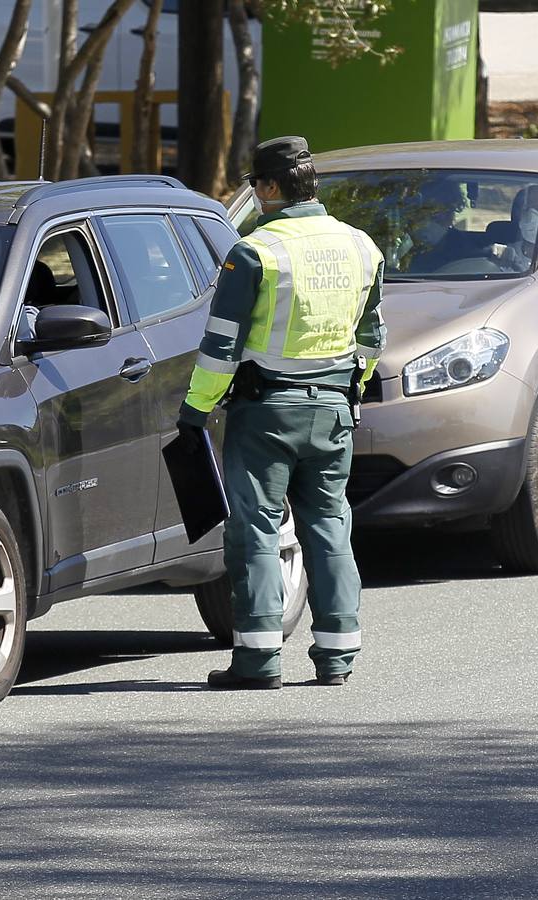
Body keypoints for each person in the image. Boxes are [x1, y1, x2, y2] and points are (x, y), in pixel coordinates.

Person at [177, 135, 386, 691]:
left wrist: (195, 411)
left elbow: (221, 345)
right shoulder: (362, 247)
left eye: (254, 184)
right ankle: (338, 655)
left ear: (269, 187)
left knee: (257, 530)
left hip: (266, 412)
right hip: (334, 409)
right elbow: (372, 339)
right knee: (329, 524)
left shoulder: (254, 251)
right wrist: (353, 392)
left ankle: (259, 659)